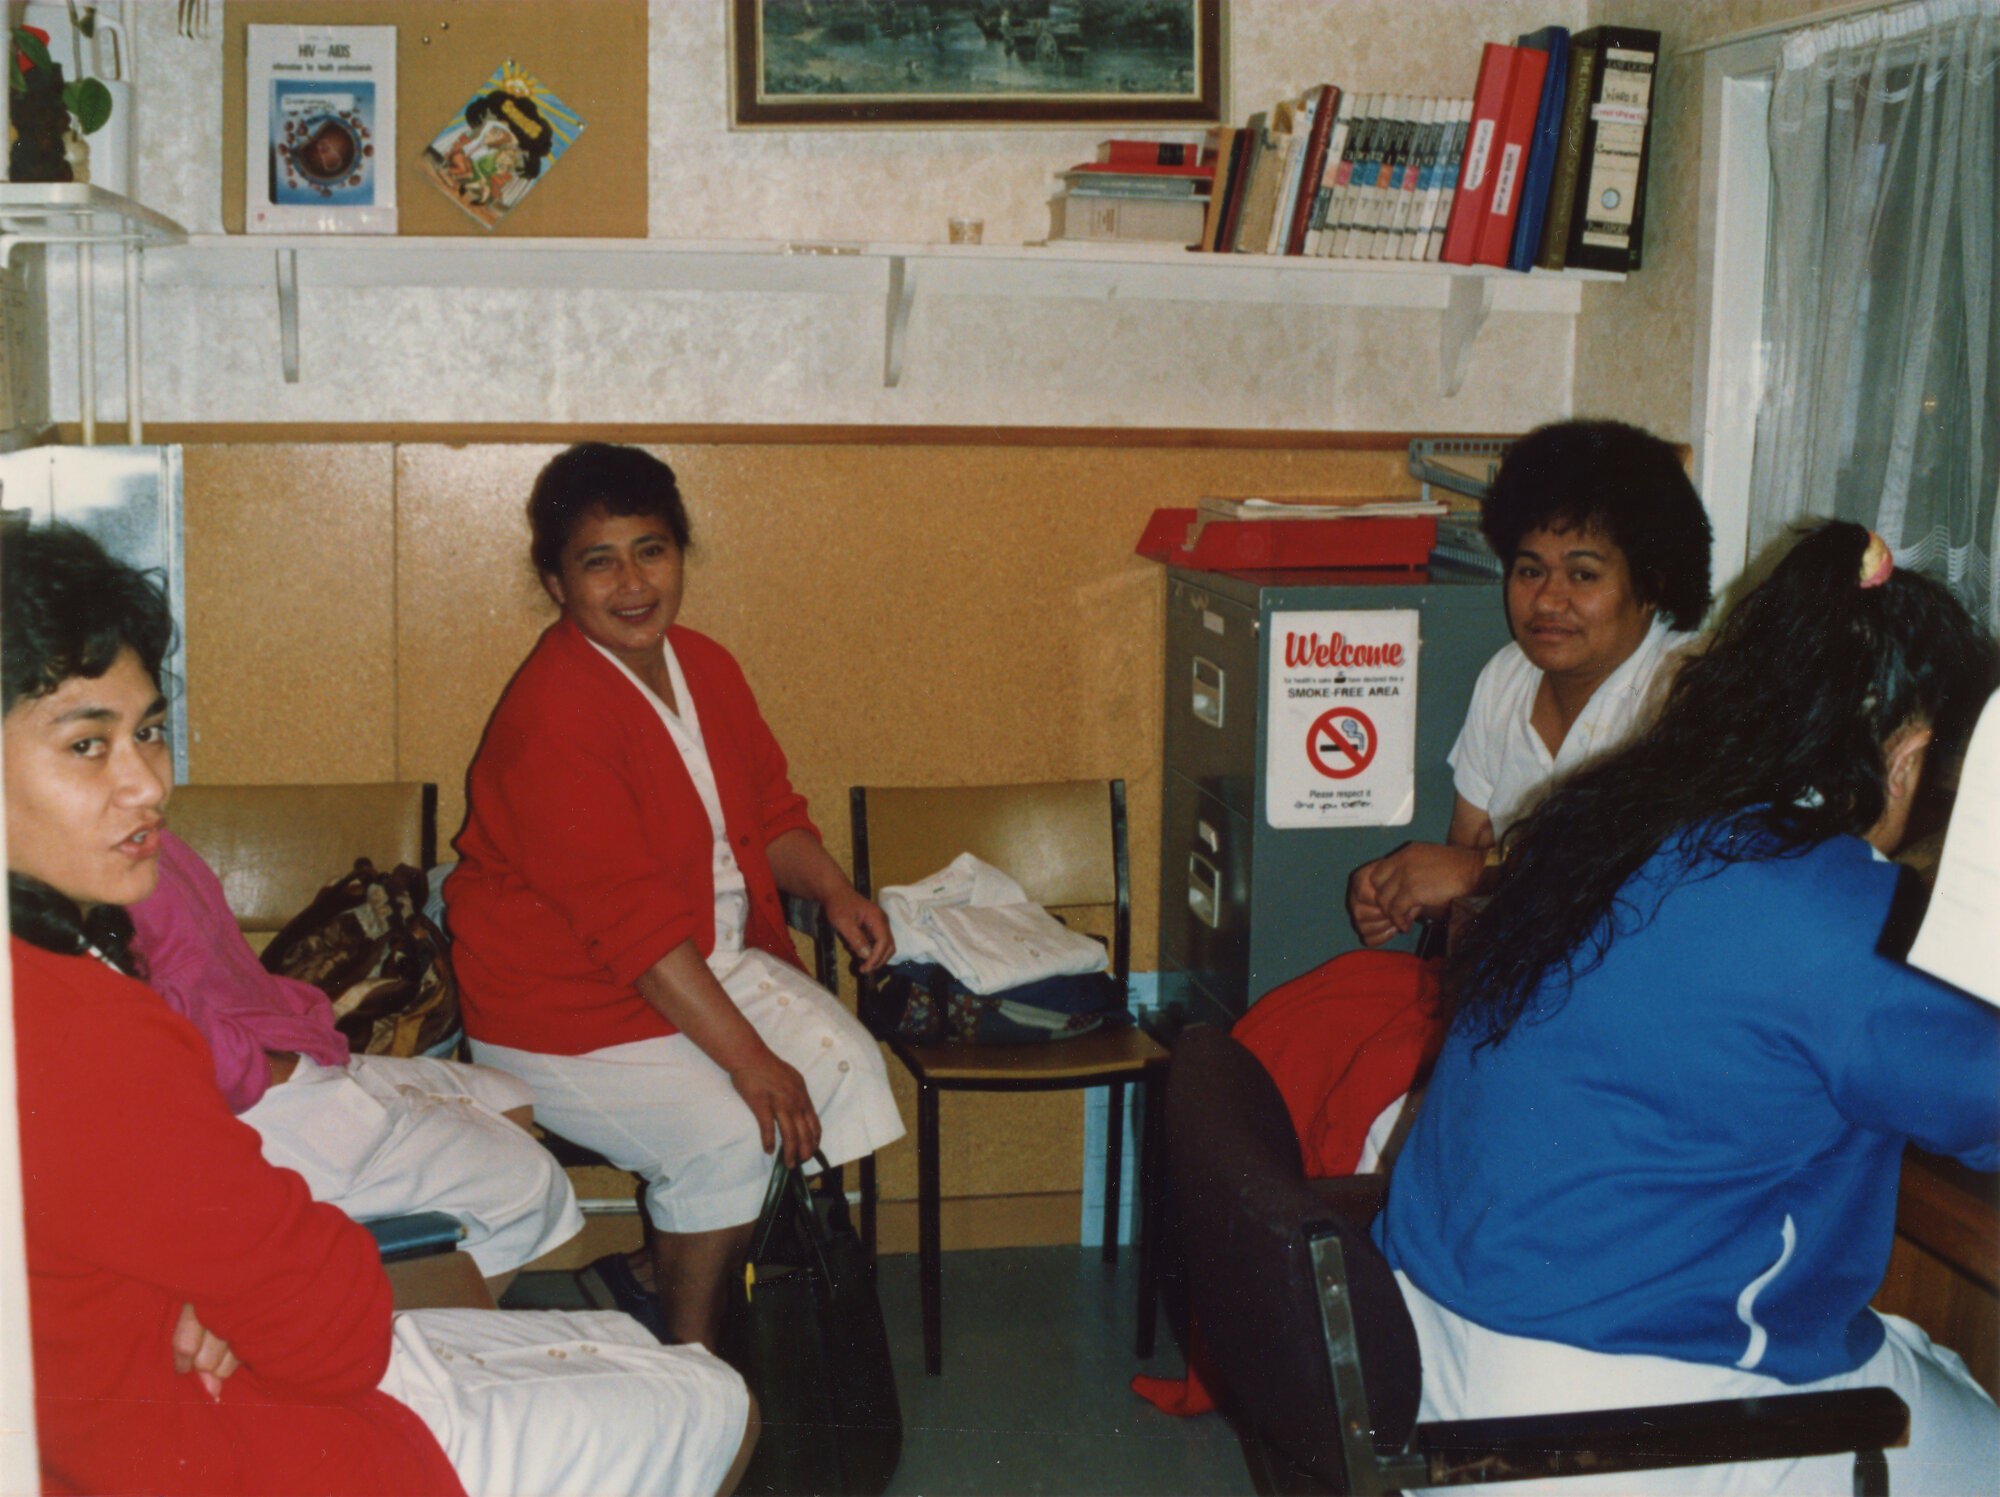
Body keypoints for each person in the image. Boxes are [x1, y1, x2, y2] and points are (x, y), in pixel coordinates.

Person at [5, 522, 756, 1497]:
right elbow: (336, 1336)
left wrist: (206, 1287)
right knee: (707, 1401)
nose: (149, 781)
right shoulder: (83, 1028)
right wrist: (230, 1293)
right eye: (85, 744)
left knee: (617, 1342)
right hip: (206, 1450)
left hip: (104, 1409)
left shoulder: (58, 959)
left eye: (148, 730)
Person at [1375, 520, 2000, 1495]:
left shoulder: (1598, 824)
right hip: (1616, 1428)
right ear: (1906, 754)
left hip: (1428, 1361)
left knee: (1917, 1352)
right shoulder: (1845, 920)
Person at [447, 443, 905, 1349]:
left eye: (651, 550)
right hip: (561, 1010)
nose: (632, 582)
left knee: (847, 1073)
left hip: (692, 962)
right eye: (597, 560)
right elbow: (634, 932)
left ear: (681, 553)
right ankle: (694, 1358)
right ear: (554, 580)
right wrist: (748, 1059)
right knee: (734, 1131)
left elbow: (771, 812)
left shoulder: (705, 665)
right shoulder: (554, 716)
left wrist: (833, 888)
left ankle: (658, 1268)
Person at [127, 828, 585, 1296]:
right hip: (242, 1102)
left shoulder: (137, 827)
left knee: (509, 1097)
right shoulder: (72, 888)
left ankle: (372, 1259)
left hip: (268, 1047)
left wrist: (309, 1025)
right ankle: (389, 1349)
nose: (140, 774)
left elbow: (223, 971)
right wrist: (299, 1075)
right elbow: (159, 1045)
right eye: (87, 749)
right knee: (524, 1180)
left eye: (143, 747)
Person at [1348, 419, 1714, 946]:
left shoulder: (1686, 691)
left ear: (1652, 583)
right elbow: (1469, 856)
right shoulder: (1506, 676)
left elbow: (1643, 882)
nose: (1546, 601)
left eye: (1583, 575)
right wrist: (1397, 891)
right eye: (1529, 571)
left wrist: (1472, 873)